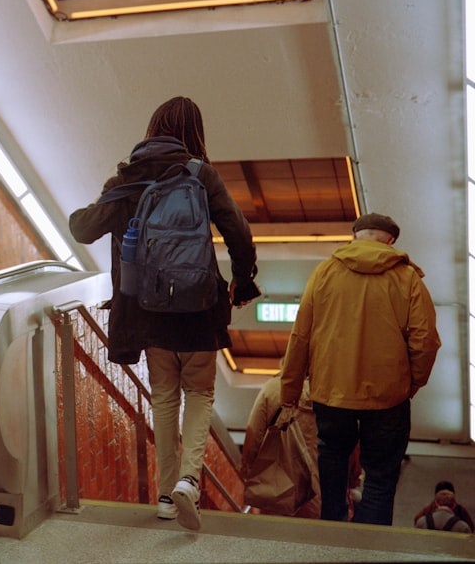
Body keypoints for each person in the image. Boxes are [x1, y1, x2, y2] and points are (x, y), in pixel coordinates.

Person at [69, 96, 260, 531]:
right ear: (195, 132)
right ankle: (189, 481)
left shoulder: (127, 179)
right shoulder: (200, 174)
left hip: (148, 314)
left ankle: (164, 497)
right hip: (199, 310)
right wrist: (243, 280)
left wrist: (107, 197)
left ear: (153, 128)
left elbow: (83, 227)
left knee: (164, 399)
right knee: (199, 395)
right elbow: (239, 232)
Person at [279, 213, 441, 526]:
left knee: (333, 462)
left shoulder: (325, 271)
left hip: (331, 392)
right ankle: (371, 546)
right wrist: (412, 383)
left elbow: (301, 334)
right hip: (388, 397)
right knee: (380, 475)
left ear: (355, 236)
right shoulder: (407, 278)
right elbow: (426, 341)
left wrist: (291, 389)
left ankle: (333, 537)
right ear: (390, 241)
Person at [241, 373, 321, 519]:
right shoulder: (332, 394)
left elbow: (254, 436)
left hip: (277, 490)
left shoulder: (273, 388)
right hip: (318, 494)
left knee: (275, 538)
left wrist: (248, 470)